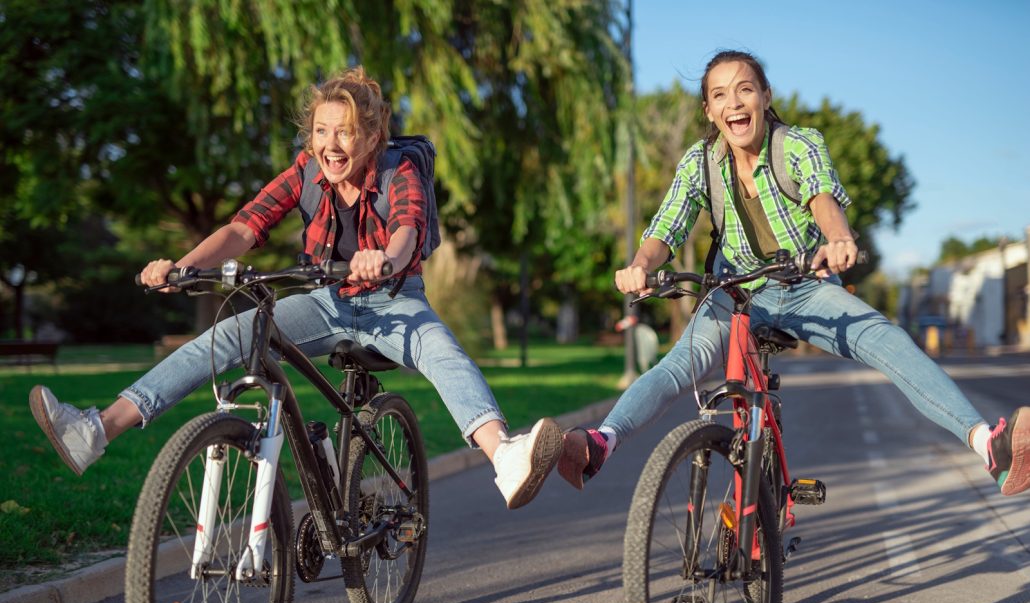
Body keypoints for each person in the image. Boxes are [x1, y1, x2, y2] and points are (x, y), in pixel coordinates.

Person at [28, 66, 561, 510]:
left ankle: (505, 455)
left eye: (346, 132)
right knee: (226, 338)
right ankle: (97, 429)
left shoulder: (401, 169)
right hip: (324, 303)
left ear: (373, 137)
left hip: (395, 303)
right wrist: (182, 267)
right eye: (322, 131)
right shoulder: (305, 170)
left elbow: (407, 228)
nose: (332, 144)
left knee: (444, 353)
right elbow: (244, 226)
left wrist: (384, 259)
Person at [544, 50, 1029, 497]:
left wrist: (839, 239)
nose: (734, 102)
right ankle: (597, 445)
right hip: (731, 293)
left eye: (745, 89)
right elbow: (665, 231)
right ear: (709, 112)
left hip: (802, 288)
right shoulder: (699, 164)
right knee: (676, 367)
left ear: (765, 96)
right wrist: (639, 267)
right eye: (719, 95)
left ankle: (990, 446)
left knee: (886, 340)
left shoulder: (797, 146)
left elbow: (823, 199)